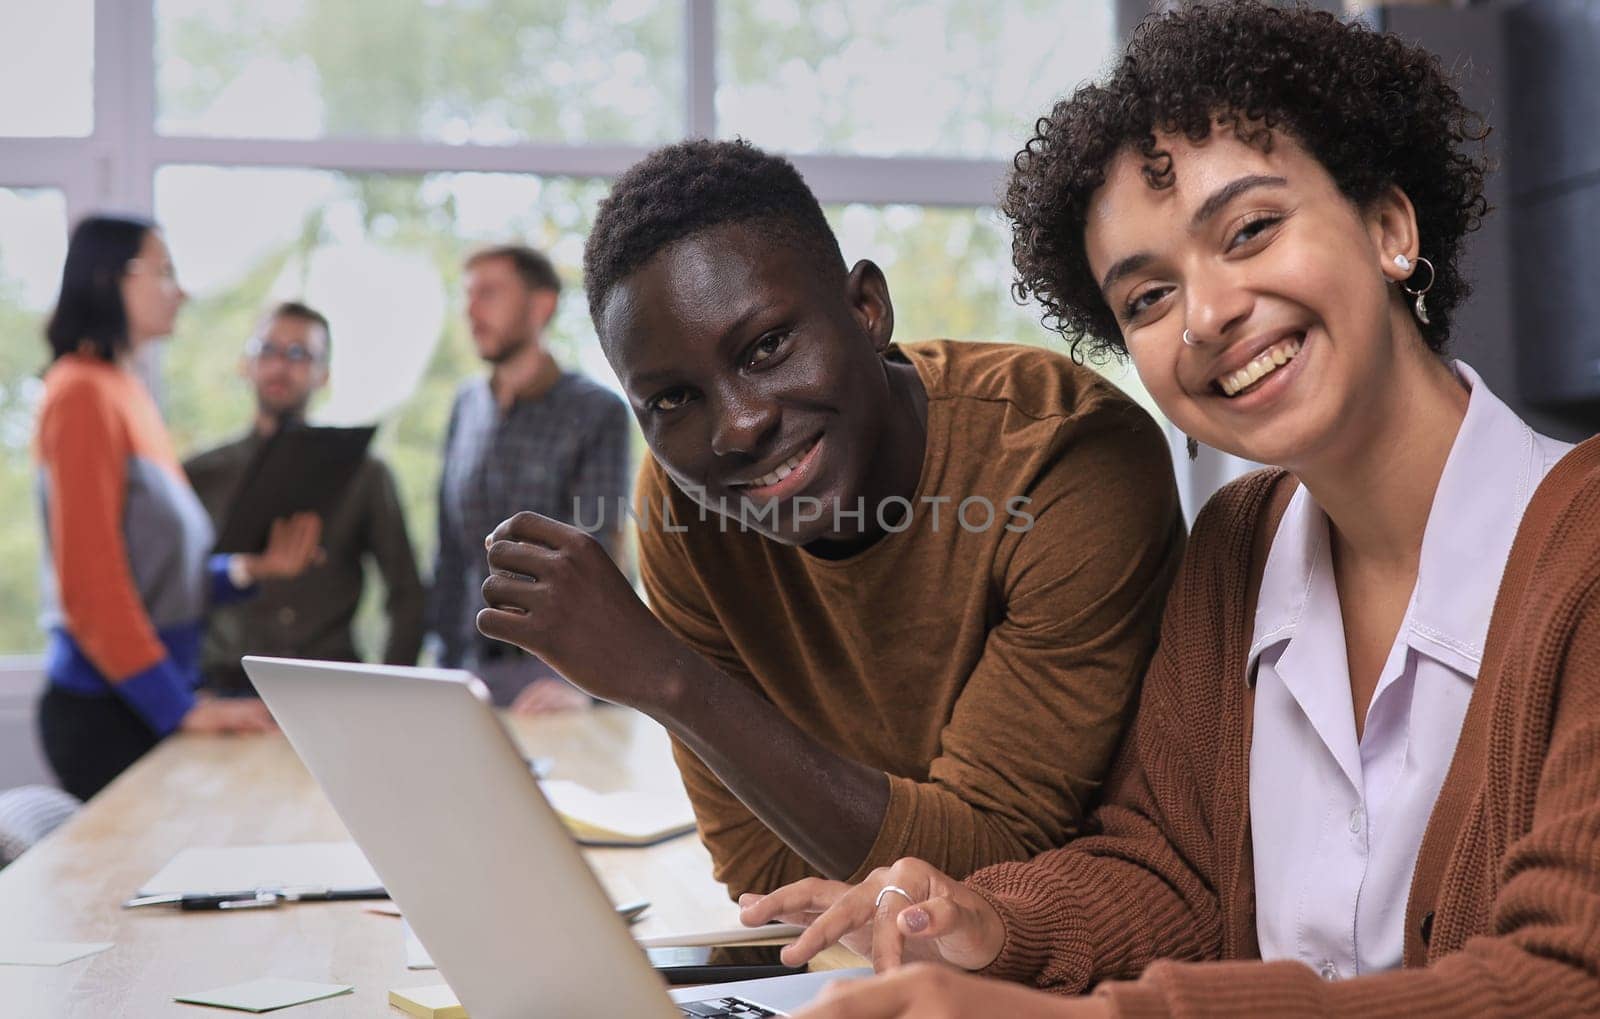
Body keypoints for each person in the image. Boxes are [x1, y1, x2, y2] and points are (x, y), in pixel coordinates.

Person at [739, 4, 1600, 1016]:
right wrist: (985, 921)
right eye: (1145, 298)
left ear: (1388, 228)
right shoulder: (1238, 544)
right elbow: (1170, 871)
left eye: (1249, 229)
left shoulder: (1581, 549)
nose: (1206, 315)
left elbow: (1563, 982)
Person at [474, 139, 1187, 899]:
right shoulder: (687, 500)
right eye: (673, 400)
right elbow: (763, 873)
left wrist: (666, 677)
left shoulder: (1064, 459)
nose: (737, 428)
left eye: (768, 346)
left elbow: (994, 854)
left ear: (866, 309)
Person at [33, 216, 321, 801]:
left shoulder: (126, 392)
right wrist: (178, 709)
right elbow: (91, 586)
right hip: (107, 711)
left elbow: (154, 576)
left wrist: (249, 572)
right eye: (163, 271)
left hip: (143, 700)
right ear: (110, 277)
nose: (180, 290)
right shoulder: (81, 393)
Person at [427, 244, 632, 714]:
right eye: (468, 296)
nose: (472, 311)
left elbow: (599, 555)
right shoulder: (466, 406)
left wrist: (589, 687)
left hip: (552, 674)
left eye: (490, 294)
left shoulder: (596, 412)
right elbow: (449, 552)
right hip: (464, 669)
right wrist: (438, 663)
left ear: (542, 306)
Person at [185, 301, 425, 695]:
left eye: (299, 354)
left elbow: (407, 593)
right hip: (226, 686)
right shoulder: (201, 473)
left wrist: (390, 694)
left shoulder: (364, 472)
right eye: (267, 350)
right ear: (246, 364)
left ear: (323, 374)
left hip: (331, 682)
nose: (280, 366)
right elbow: (171, 589)